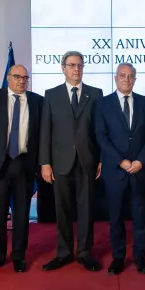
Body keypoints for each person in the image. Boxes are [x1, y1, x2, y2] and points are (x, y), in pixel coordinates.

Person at [39, 51, 103, 272]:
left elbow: (100, 131)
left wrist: (101, 159)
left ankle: (85, 253)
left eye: (80, 65)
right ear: (63, 68)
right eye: (72, 65)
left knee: (87, 209)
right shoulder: (51, 94)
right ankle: (64, 252)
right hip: (60, 162)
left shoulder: (96, 94)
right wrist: (45, 163)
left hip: (87, 161)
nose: (76, 69)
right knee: (63, 210)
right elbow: (45, 131)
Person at [0, 64, 43, 273]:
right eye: (17, 77)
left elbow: (41, 136)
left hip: (24, 164)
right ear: (8, 78)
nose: (21, 81)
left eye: (25, 78)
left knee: (22, 213)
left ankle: (18, 256)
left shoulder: (37, 101)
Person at [95, 63, 145, 275]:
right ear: (115, 78)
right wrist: (120, 161)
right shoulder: (103, 104)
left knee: (140, 217)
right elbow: (101, 137)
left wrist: (141, 161)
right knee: (115, 217)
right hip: (115, 171)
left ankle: (140, 257)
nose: (126, 79)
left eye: (131, 76)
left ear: (135, 80)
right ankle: (118, 257)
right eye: (122, 76)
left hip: (140, 170)